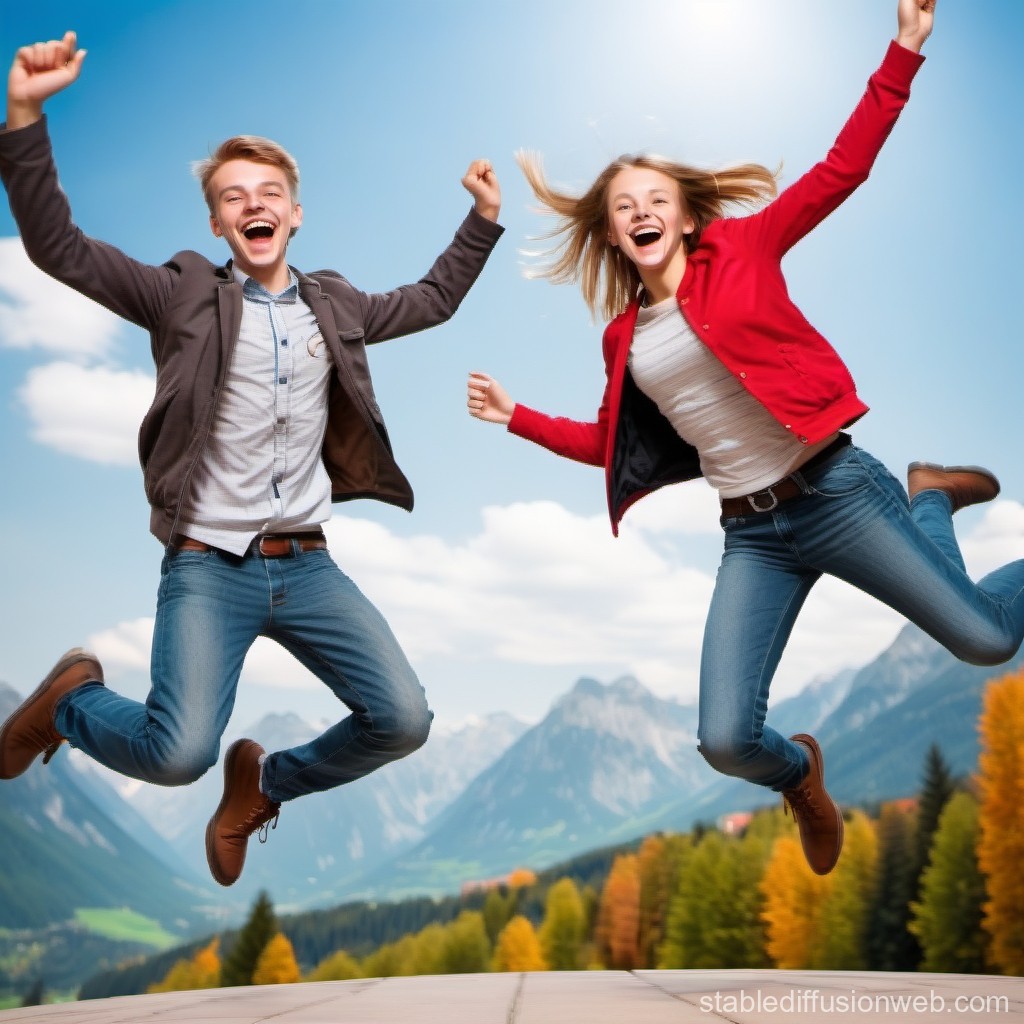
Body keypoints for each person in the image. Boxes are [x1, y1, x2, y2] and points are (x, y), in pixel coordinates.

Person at [468, 0, 1024, 876]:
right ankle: (800, 774)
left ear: (686, 217)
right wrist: (517, 417)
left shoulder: (745, 247)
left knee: (987, 640)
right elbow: (608, 442)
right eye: (625, 206)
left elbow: (841, 171)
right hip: (752, 535)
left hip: (837, 493)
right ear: (612, 233)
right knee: (726, 739)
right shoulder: (624, 341)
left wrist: (904, 50)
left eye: (657, 200)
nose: (642, 212)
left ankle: (924, 498)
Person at [0, 31, 503, 888]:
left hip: (308, 566)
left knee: (403, 719)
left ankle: (264, 784)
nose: (253, 205)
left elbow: (432, 300)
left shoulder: (335, 307)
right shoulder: (180, 296)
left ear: (295, 214)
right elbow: (61, 250)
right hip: (208, 567)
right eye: (234, 196)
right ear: (217, 223)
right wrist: (23, 117)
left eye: (270, 193)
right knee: (175, 754)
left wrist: (482, 220)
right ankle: (70, 704)